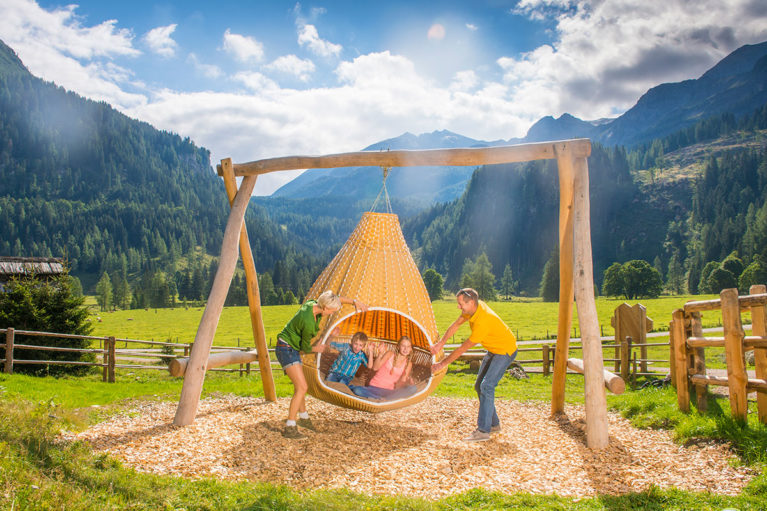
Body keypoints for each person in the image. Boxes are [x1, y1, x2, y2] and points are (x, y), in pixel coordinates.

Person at [275, 290, 368, 439]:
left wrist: (354, 302)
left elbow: (336, 299)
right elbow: (304, 348)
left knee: (300, 386)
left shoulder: (313, 304)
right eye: (332, 311)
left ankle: (303, 418)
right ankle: (290, 427)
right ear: (325, 308)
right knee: (302, 387)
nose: (332, 313)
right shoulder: (309, 322)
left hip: (289, 347)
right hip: (286, 349)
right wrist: (317, 349)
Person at [430, 288, 517, 442]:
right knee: (480, 386)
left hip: (505, 351)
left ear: (471, 302)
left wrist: (441, 364)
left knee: (487, 386)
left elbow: (462, 349)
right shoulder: (472, 309)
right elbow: (456, 324)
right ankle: (494, 424)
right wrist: (440, 344)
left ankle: (483, 431)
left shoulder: (483, 321)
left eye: (460, 304)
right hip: (493, 349)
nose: (458, 307)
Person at [349, 336, 417, 400]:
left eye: (408, 346)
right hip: (374, 388)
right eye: (403, 346)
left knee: (413, 388)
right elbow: (375, 368)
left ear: (411, 349)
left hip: (389, 392)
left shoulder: (408, 364)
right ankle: (380, 399)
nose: (406, 349)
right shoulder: (390, 354)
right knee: (357, 390)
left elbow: (401, 383)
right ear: (398, 346)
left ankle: (385, 399)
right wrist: (380, 354)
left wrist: (408, 383)